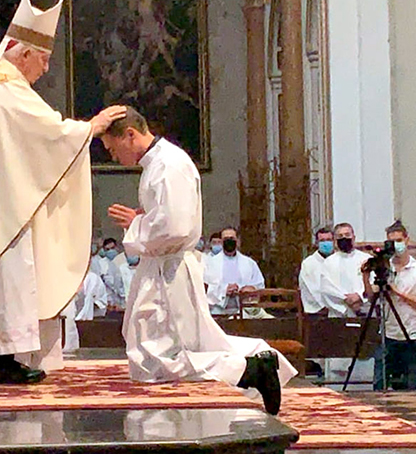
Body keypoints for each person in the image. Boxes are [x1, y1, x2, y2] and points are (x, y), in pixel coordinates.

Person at [0, 0, 126, 384]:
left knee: (2, 278)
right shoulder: (6, 89)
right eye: (44, 58)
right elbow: (47, 133)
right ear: (22, 53)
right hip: (4, 207)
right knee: (10, 273)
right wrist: (91, 127)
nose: (47, 68)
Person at [102, 106, 296, 415]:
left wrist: (136, 225)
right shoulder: (158, 164)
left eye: (113, 149)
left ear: (130, 134)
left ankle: (251, 370)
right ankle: (252, 366)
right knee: (155, 351)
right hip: (163, 266)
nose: (114, 157)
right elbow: (170, 216)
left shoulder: (169, 164)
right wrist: (143, 218)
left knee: (159, 356)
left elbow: (176, 227)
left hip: (170, 270)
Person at [363, 221, 416, 390]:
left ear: (407, 240)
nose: (396, 245)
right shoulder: (386, 268)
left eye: (399, 240)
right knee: (379, 382)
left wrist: (396, 291)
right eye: (392, 242)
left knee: (408, 385)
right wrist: (365, 278)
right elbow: (371, 296)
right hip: (389, 333)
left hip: (412, 333)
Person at [204, 227, 266, 315]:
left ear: (238, 241)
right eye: (226, 239)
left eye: (232, 238)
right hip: (218, 310)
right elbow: (204, 287)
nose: (229, 241)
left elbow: (259, 284)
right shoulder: (210, 263)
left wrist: (250, 289)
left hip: (244, 311)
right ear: (221, 242)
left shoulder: (249, 263)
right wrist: (224, 290)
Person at [319, 223, 370, 317]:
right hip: (338, 313)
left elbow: (372, 283)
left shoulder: (366, 259)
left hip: (364, 311)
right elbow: (326, 288)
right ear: (335, 240)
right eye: (340, 236)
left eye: (347, 235)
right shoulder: (328, 262)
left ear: (353, 237)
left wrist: (359, 296)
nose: (344, 238)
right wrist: (345, 299)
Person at [298, 227, 334, 314]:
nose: (326, 243)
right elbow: (312, 290)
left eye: (329, 240)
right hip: (317, 310)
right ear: (317, 243)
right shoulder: (309, 264)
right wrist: (327, 307)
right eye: (322, 240)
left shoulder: (338, 260)